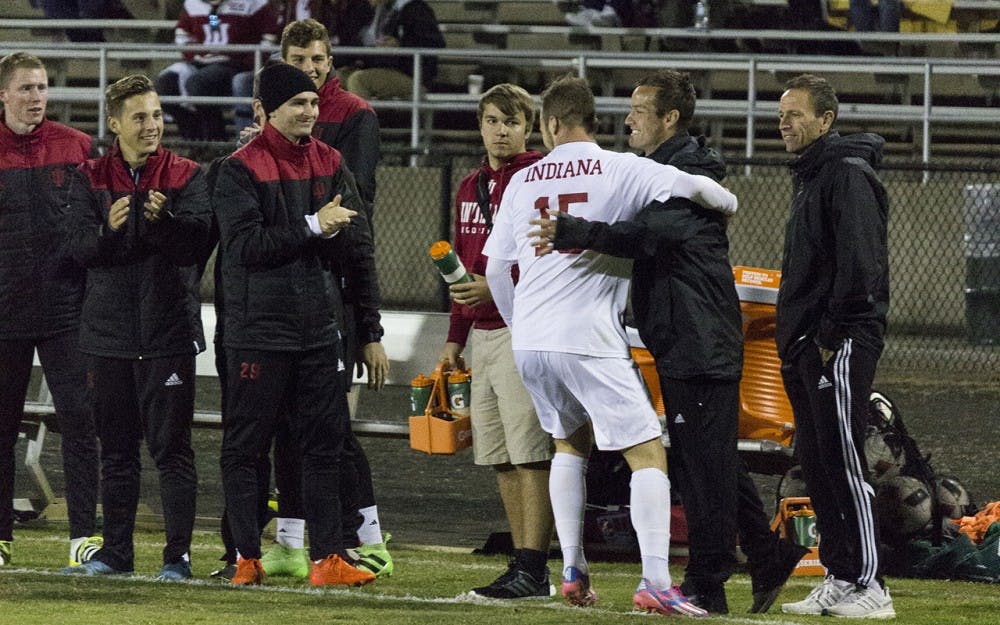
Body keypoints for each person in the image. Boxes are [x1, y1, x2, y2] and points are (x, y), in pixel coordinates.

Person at [530, 69, 809, 614]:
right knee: (710, 456)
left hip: (698, 333)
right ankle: (767, 552)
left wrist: (576, 232)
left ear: (669, 118)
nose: (627, 118)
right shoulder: (656, 169)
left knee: (700, 466)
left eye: (639, 109)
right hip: (682, 331)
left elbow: (652, 235)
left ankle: (708, 581)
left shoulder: (689, 169)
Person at [483, 74, 736, 616]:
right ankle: (655, 581)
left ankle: (572, 570)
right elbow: (702, 190)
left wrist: (517, 321)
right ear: (592, 121)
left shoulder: (523, 180)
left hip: (530, 339)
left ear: (549, 125)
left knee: (569, 446)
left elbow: (496, 268)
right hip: (587, 335)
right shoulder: (620, 167)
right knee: (647, 452)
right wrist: (728, 201)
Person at [213, 61, 379, 588]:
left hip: (315, 330)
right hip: (258, 332)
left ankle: (328, 557)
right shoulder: (238, 168)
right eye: (298, 104)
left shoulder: (331, 161)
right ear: (268, 111)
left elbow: (359, 248)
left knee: (324, 444)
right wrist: (313, 226)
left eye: (312, 103)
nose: (309, 112)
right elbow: (243, 248)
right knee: (247, 446)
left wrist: (368, 326)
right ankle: (245, 557)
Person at [248, 19, 392, 582]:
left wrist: (369, 323)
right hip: (287, 290)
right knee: (288, 421)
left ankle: (370, 537)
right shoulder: (271, 123)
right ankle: (289, 539)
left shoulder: (355, 115)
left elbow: (355, 203)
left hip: (333, 287)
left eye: (320, 58)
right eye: (301, 59)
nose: (313, 67)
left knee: (329, 425)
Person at [60, 74, 211, 580]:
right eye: (140, 117)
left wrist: (164, 223)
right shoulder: (87, 176)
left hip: (168, 334)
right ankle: (116, 554)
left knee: (173, 451)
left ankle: (177, 557)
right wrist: (109, 230)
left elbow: (197, 248)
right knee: (118, 453)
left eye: (157, 115)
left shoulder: (187, 174)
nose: (152, 126)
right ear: (115, 123)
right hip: (108, 337)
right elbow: (77, 249)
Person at [774, 73, 895, 619]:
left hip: (838, 340)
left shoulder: (845, 174)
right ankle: (841, 575)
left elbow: (860, 267)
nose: (784, 122)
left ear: (826, 120)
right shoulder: (813, 176)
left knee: (845, 462)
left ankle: (873, 584)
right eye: (782, 113)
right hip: (810, 342)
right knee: (818, 463)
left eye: (796, 113)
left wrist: (828, 336)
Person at [437, 83, 555, 599]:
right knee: (500, 455)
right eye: (491, 120)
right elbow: (462, 266)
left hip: (520, 327)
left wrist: (498, 287)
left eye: (510, 121)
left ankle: (536, 565)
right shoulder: (469, 185)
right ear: (479, 125)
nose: (500, 131)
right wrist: (453, 337)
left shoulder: (537, 178)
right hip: (481, 334)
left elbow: (551, 260)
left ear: (528, 126)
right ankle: (521, 561)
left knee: (530, 453)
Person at [0, 52, 101, 570]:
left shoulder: (77, 146)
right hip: (4, 313)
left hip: (65, 311)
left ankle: (84, 534)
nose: (36, 96)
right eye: (26, 88)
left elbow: (97, 220)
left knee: (81, 421)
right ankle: (0, 538)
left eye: (41, 87)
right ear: (3, 94)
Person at [156, 0, 281, 141]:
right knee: (164, 86)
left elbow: (269, 35)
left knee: (198, 84)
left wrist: (245, 60)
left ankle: (215, 139)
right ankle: (194, 137)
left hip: (235, 64)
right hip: (199, 63)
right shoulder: (194, 5)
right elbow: (184, 34)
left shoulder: (253, 3)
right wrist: (197, 54)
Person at [343, 0, 445, 100]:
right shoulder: (375, 10)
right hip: (378, 68)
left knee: (358, 80)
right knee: (336, 78)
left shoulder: (417, 9)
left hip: (411, 75)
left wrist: (400, 46)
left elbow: (435, 43)